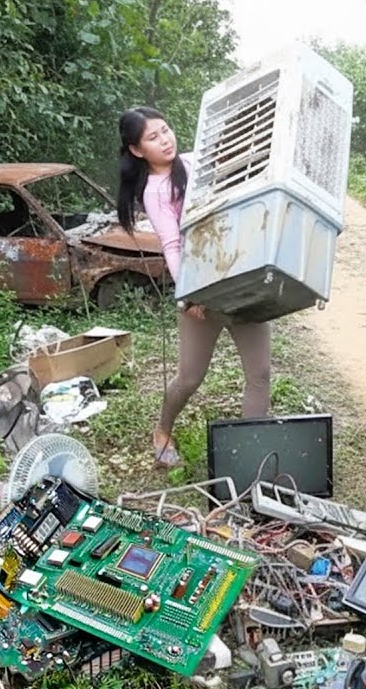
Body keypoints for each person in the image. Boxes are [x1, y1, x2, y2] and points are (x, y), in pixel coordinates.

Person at [115, 106, 272, 467]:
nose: (165, 140)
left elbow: (236, 165)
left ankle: (253, 463)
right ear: (137, 150)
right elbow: (172, 245)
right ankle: (162, 432)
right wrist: (190, 295)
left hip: (240, 278)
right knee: (189, 377)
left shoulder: (192, 162)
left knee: (260, 374)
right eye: (153, 137)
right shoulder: (155, 191)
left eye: (166, 130)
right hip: (202, 294)